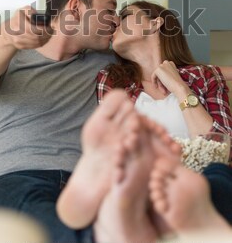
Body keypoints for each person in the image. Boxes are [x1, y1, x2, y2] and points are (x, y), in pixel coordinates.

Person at [0, 0, 119, 243]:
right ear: (75, 8)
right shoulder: (11, 51)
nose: (116, 20)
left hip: (85, 185)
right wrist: (8, 37)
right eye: (109, 10)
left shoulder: (109, 63)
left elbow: (179, 66)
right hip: (16, 181)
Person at [57, 90, 232, 243]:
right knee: (217, 175)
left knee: (215, 168)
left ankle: (110, 227)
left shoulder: (201, 75)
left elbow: (220, 138)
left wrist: (179, 87)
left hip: (184, 172)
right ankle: (204, 224)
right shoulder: (112, 76)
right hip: (162, 175)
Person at [96, 0, 232, 138]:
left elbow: (223, 148)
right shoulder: (111, 80)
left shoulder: (203, 77)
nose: (115, 23)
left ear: (154, 24)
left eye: (125, 16)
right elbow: (109, 147)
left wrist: (180, 89)